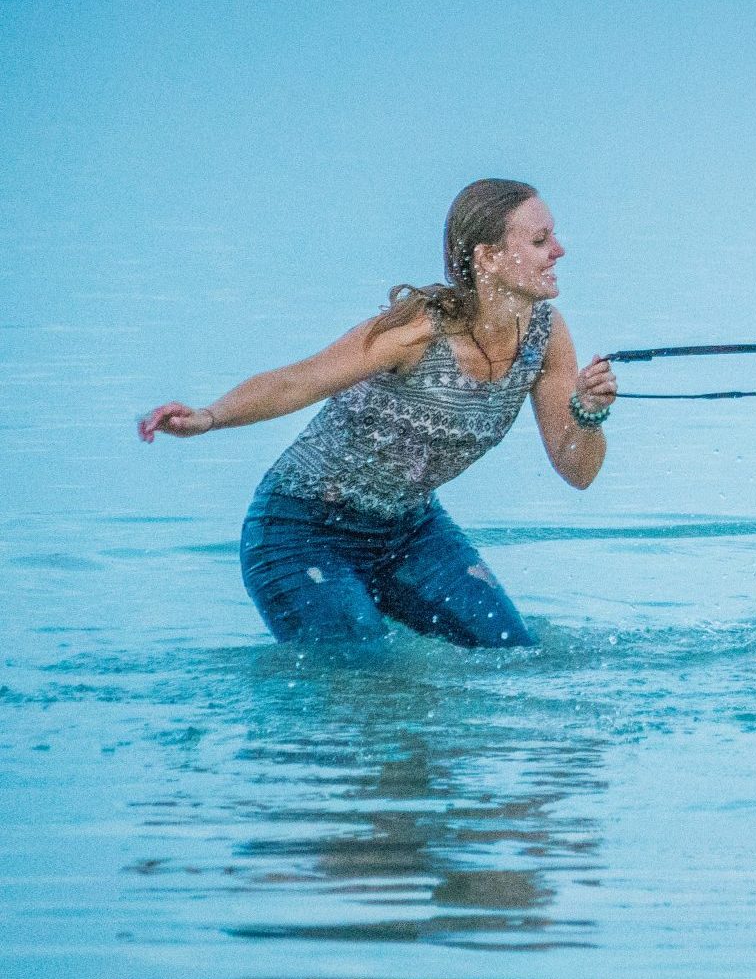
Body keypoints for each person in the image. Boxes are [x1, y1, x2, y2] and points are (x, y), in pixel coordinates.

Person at [137, 179, 617, 648]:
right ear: (487, 257)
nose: (559, 250)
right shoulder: (418, 330)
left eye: (552, 235)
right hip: (300, 531)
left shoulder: (547, 335)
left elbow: (578, 471)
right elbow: (301, 380)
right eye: (539, 240)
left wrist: (589, 413)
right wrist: (209, 417)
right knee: (364, 674)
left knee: (512, 653)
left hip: (410, 531)